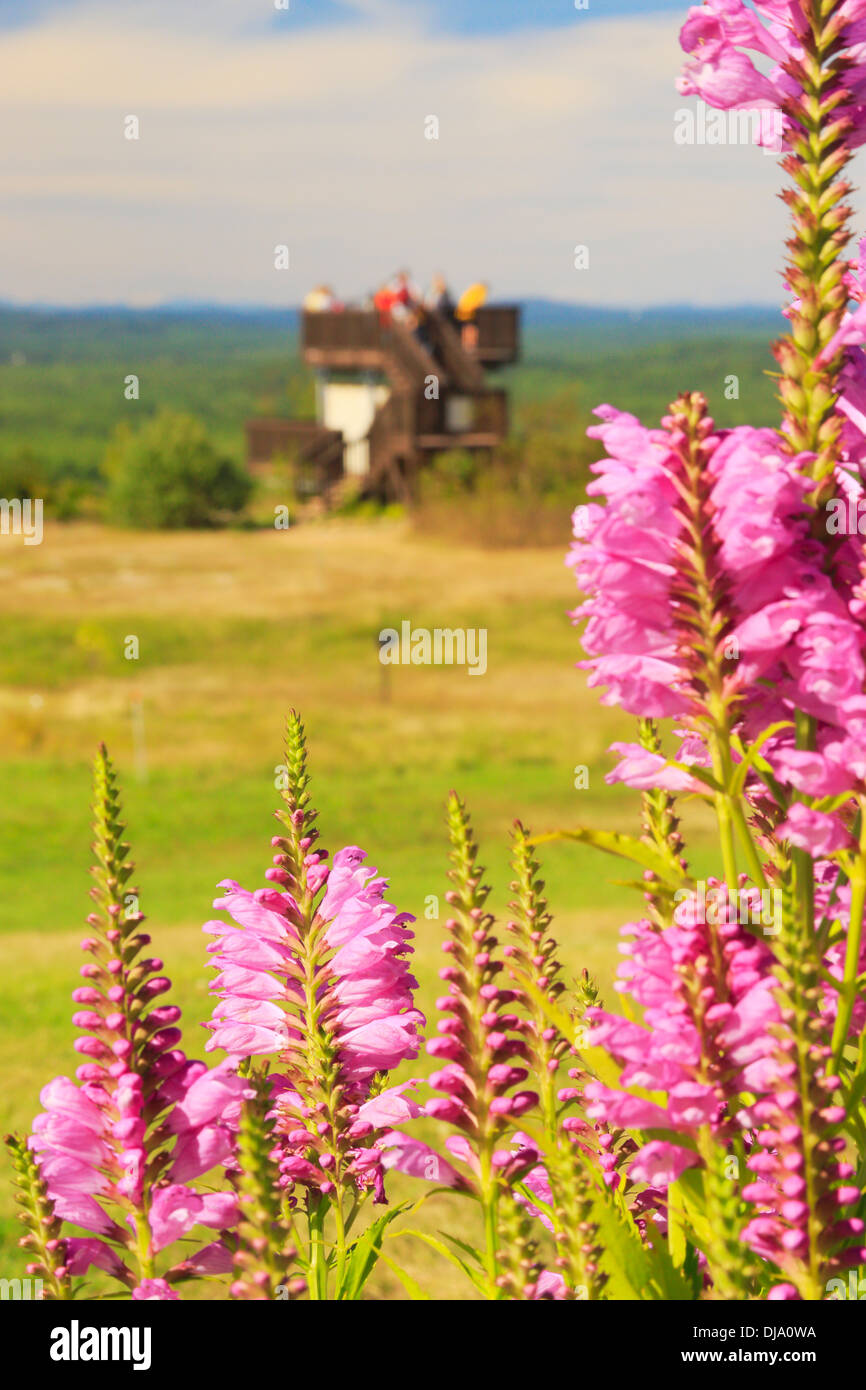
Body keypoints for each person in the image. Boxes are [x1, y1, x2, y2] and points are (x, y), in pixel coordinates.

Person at [455, 281, 488, 350]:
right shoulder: (481, 292)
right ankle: (470, 346)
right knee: (471, 327)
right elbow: (479, 304)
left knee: (469, 327)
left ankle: (468, 346)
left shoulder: (471, 293)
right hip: (469, 316)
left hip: (462, 315)